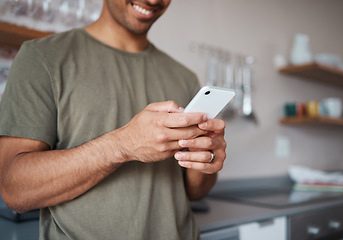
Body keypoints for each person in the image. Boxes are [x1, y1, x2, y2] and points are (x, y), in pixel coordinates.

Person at [0, 0, 227, 239]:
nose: (152, 1)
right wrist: (123, 145)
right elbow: (14, 189)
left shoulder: (184, 77)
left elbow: (195, 192)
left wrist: (208, 159)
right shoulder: (42, 58)